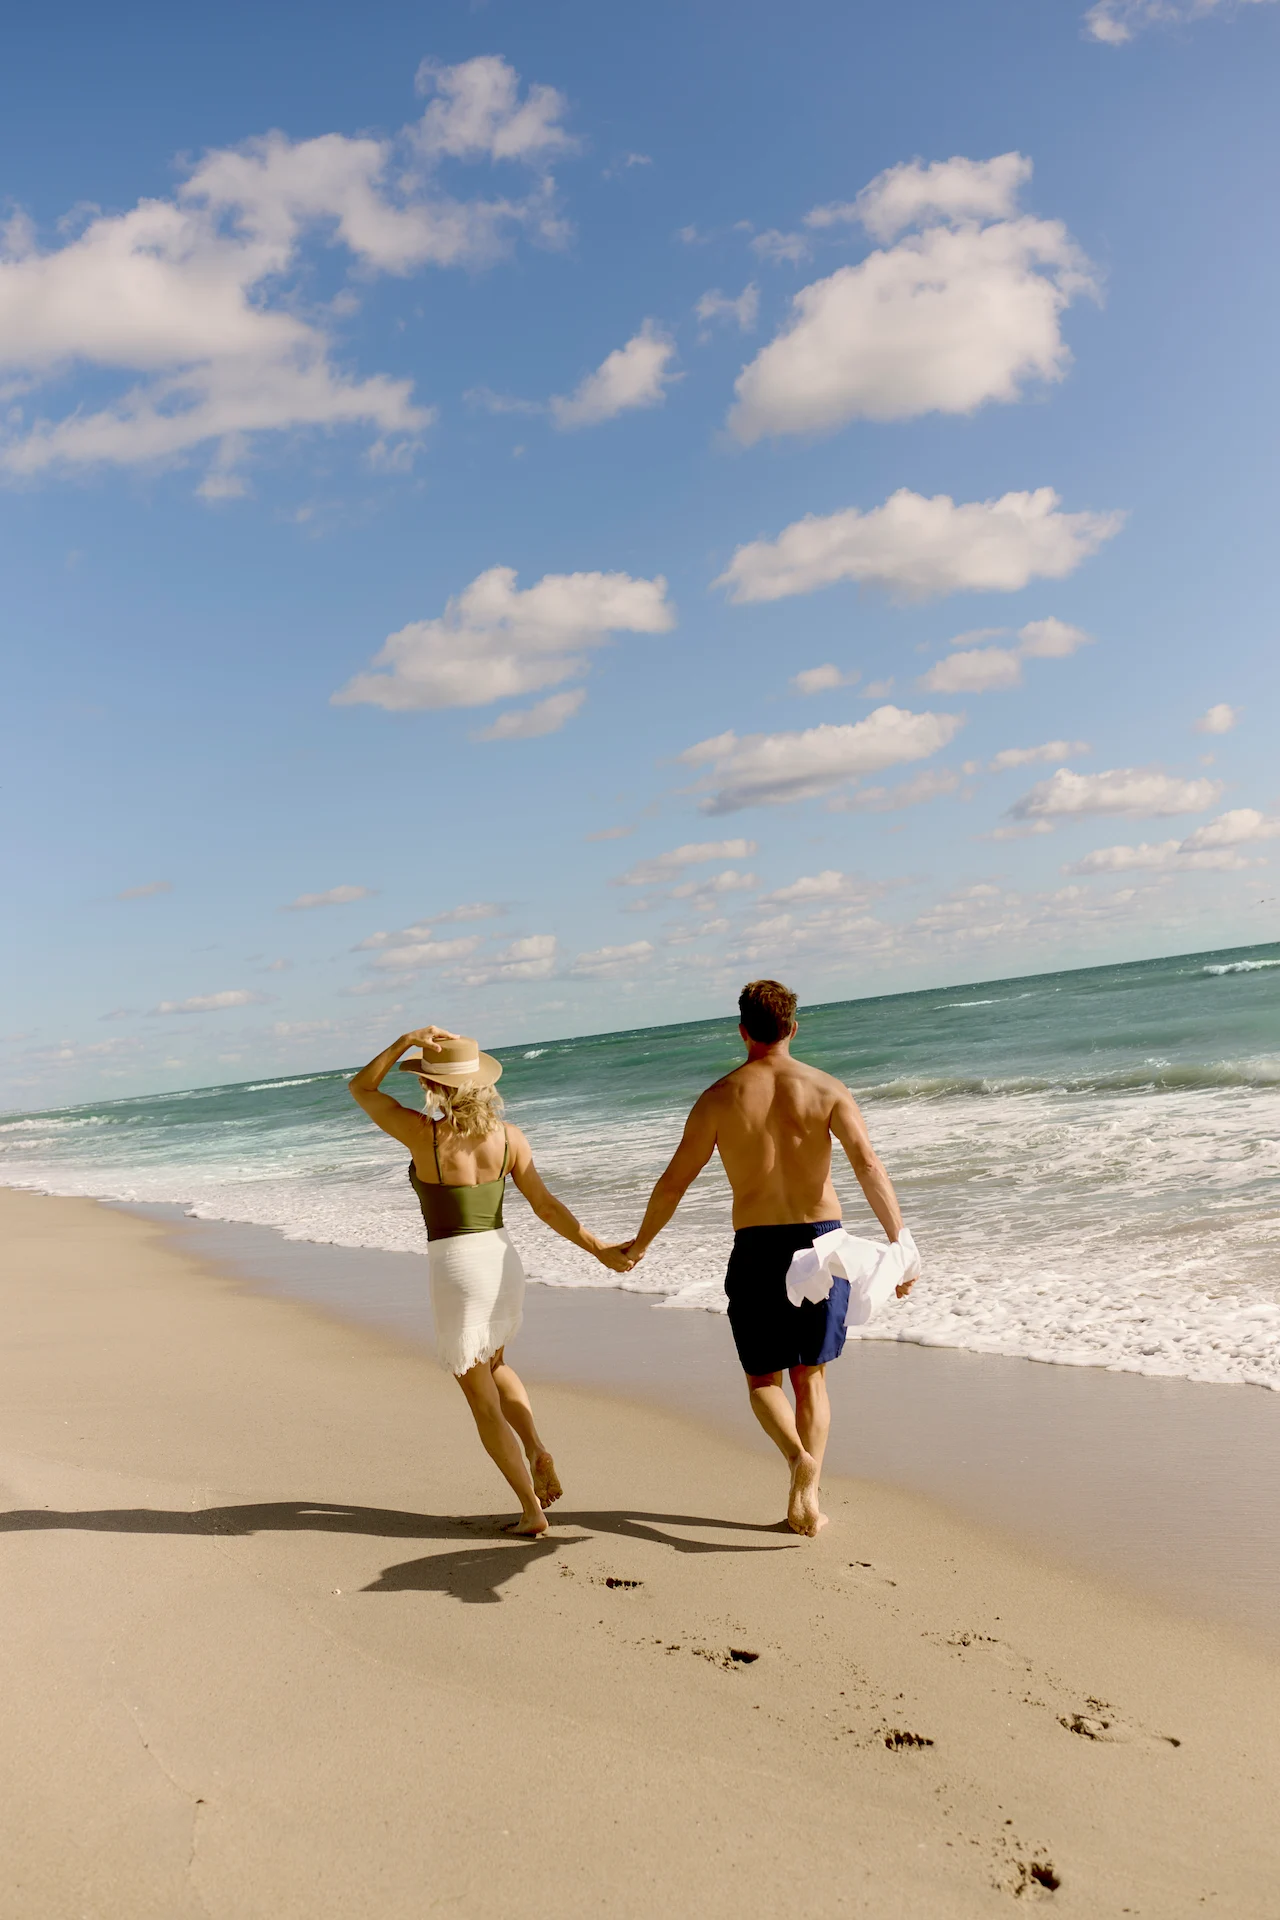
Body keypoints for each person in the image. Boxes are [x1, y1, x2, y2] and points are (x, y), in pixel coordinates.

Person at [618, 981, 915, 1538]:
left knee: (763, 1382)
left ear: (743, 1031)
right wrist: (901, 1243)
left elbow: (673, 1184)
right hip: (822, 1244)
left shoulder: (718, 1098)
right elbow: (868, 1165)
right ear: (794, 1027)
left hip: (757, 1245)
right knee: (812, 1377)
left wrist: (639, 1244)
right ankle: (810, 1496)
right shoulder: (827, 1089)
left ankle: (795, 1458)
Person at [349, 1026, 628, 1537]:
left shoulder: (423, 1134)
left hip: (456, 1266)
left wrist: (404, 1043)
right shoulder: (509, 1138)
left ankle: (530, 1509)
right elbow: (545, 1206)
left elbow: (361, 1089)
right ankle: (537, 1448)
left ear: (435, 1086)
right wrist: (600, 1248)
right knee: (496, 1362)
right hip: (501, 1261)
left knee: (479, 1396)